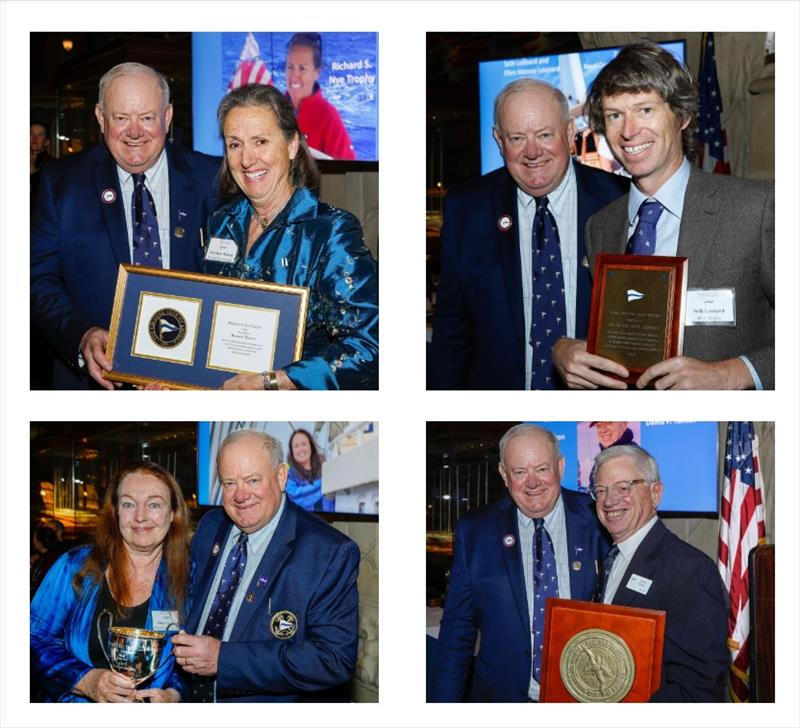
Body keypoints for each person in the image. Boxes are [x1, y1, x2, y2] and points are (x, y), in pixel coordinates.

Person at [553, 41, 774, 390]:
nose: (628, 131)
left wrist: (732, 373)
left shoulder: (756, 209)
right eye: (614, 115)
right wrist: (564, 350)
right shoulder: (601, 226)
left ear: (682, 116)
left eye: (644, 110)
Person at [429, 78, 629, 389]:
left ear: (569, 132)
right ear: (498, 141)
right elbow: (452, 328)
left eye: (545, 134)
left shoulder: (620, 201)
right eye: (517, 138)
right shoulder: (467, 209)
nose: (532, 151)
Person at [30, 62, 220, 390]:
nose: (135, 132)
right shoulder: (61, 183)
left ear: (168, 116)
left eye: (147, 117)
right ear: (101, 118)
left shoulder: (213, 179)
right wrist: (82, 335)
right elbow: (36, 279)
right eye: (121, 118)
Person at [204, 83, 378, 390]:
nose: (247, 159)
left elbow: (370, 344)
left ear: (292, 145)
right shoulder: (221, 223)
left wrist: (273, 382)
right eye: (235, 144)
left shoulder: (330, 231)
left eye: (260, 141)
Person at [172, 429, 360, 702]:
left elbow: (333, 659)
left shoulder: (329, 552)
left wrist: (223, 660)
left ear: (281, 477)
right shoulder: (210, 527)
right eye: (229, 483)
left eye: (252, 480)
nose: (240, 495)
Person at [430, 424, 611, 702]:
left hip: (584, 695)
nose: (532, 482)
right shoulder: (476, 531)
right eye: (519, 472)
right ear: (504, 474)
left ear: (560, 466)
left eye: (541, 469)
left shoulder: (598, 519)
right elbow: (458, 630)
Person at [30, 462, 191, 702]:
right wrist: (85, 680)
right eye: (128, 504)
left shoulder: (190, 576)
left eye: (154, 504)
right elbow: (32, 637)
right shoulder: (75, 566)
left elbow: (194, 660)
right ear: (115, 513)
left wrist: (174, 695)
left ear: (172, 514)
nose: (140, 516)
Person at [590, 444, 729, 701]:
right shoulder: (610, 558)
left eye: (623, 487)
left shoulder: (690, 569)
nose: (609, 500)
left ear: (656, 493)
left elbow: (698, 688)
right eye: (601, 490)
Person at [284, 33, 356, 160]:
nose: (294, 75)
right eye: (290, 67)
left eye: (302, 68)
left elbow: (348, 170)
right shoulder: (273, 110)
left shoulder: (329, 117)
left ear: (317, 72)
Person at [286, 428, 333, 511]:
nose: (301, 449)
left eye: (304, 444)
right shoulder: (289, 476)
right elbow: (295, 495)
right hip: (302, 521)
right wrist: (322, 484)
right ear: (292, 451)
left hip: (326, 520)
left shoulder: (325, 468)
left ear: (311, 446)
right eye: (296, 446)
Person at [30, 122, 52, 201]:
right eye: (31, 134)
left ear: (46, 142)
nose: (34, 138)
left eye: (40, 135)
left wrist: (32, 170)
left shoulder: (52, 164)